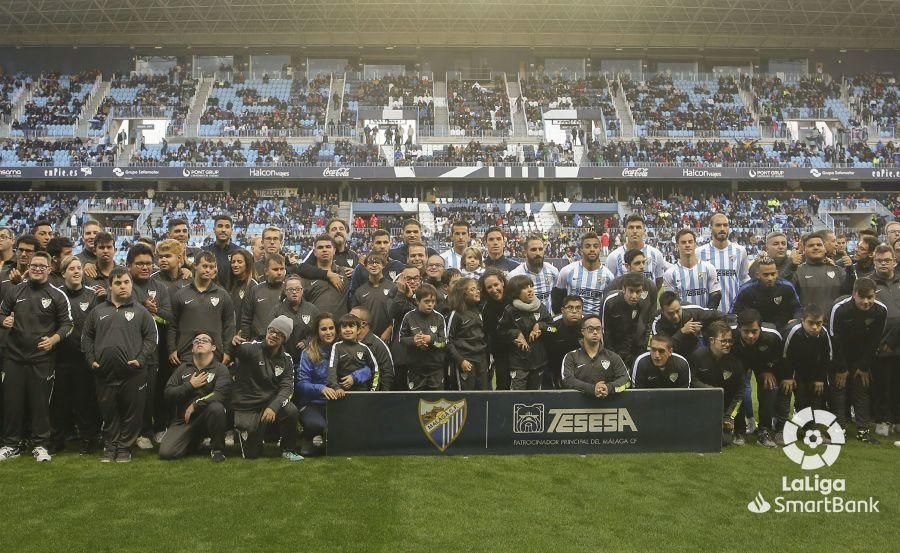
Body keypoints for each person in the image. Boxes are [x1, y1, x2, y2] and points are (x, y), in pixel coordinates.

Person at [0, 251, 73, 462]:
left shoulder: (58, 295)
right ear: (28, 267)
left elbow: (68, 324)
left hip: (42, 359)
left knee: (40, 404)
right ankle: (10, 445)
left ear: (49, 270)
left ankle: (40, 445)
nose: (38, 269)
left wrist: (53, 340)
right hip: (13, 357)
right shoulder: (14, 292)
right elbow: (1, 313)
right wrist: (4, 321)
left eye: (42, 266)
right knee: (11, 403)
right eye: (34, 265)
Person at [81, 267, 158, 463]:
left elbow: (151, 338)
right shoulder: (97, 311)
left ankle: (124, 448)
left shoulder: (141, 312)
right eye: (118, 283)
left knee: (132, 414)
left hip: (134, 373)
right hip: (103, 372)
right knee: (109, 412)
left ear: (132, 285)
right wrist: (91, 360)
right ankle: (110, 446)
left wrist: (140, 359)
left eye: (126, 282)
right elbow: (87, 338)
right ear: (110, 286)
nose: (122, 286)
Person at [231, 315, 302, 461]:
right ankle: (251, 435)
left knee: (291, 410)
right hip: (248, 404)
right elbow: (237, 351)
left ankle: (288, 449)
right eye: (272, 331)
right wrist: (234, 345)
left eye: (280, 334)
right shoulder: (251, 348)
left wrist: (273, 407)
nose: (274, 335)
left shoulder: (286, 359)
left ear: (285, 339)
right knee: (252, 454)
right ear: (267, 330)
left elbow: (287, 388)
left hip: (269, 403)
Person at [828, 278, 887, 444]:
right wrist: (841, 368)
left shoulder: (881, 310)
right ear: (854, 294)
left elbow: (875, 340)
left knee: (862, 391)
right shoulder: (839, 309)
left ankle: (863, 431)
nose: (867, 302)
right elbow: (833, 338)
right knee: (838, 392)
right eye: (863, 297)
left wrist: (863, 365)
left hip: (861, 358)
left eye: (871, 297)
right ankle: (839, 431)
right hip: (839, 357)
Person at [50, 255, 99, 455]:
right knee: (59, 403)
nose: (77, 271)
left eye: (79, 268)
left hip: (83, 359)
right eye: (71, 269)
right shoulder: (56, 295)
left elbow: (97, 327)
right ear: (63, 273)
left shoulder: (92, 295)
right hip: (60, 358)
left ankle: (87, 439)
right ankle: (57, 440)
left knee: (83, 401)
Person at [127, 243, 174, 449]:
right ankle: (138, 431)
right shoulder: (125, 285)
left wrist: (156, 312)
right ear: (129, 266)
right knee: (134, 395)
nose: (145, 267)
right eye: (140, 264)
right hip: (129, 349)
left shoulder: (159, 287)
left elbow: (170, 317)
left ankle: (152, 429)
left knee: (152, 393)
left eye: (148, 263)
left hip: (154, 352)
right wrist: (145, 310)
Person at [159, 332, 231, 462]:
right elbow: (168, 393)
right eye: (196, 341)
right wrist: (190, 385)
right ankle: (194, 441)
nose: (200, 342)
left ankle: (217, 449)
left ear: (213, 347)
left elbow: (220, 394)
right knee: (167, 453)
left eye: (205, 340)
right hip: (184, 420)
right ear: (192, 348)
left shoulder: (221, 369)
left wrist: (196, 405)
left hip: (208, 416)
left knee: (217, 408)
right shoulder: (182, 369)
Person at [168, 252, 235, 366]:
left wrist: (227, 352)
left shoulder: (223, 295)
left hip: (215, 355)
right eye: (204, 266)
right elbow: (172, 325)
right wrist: (171, 349)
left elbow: (229, 325)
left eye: (211, 267)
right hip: (185, 355)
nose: (208, 270)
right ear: (195, 266)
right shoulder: (180, 294)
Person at [778, 304, 833, 441]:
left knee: (814, 397)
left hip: (811, 370)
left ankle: (811, 429)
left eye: (818, 323)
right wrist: (787, 377)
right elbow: (784, 355)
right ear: (803, 321)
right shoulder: (793, 331)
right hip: (790, 369)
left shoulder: (824, 334)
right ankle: (780, 430)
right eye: (811, 323)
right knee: (785, 393)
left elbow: (827, 357)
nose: (815, 327)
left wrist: (820, 379)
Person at [731, 309, 784, 448]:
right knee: (738, 388)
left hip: (763, 364)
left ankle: (764, 431)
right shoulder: (730, 335)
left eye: (754, 331)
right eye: (746, 331)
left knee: (770, 386)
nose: (750, 336)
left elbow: (780, 358)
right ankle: (739, 430)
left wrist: (767, 370)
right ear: (739, 329)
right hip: (740, 364)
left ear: (760, 328)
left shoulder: (773, 336)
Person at [295, 313, 346, 457]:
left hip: (338, 401)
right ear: (317, 331)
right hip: (313, 403)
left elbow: (366, 368)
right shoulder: (308, 353)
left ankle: (325, 437)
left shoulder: (344, 348)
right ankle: (309, 436)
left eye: (331, 328)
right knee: (318, 425)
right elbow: (301, 384)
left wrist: (354, 377)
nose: (328, 332)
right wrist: (321, 388)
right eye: (324, 329)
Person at [689, 321, 746, 446]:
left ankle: (739, 431)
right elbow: (691, 381)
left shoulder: (735, 361)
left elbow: (740, 392)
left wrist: (730, 416)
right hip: (703, 405)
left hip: (726, 408)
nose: (727, 344)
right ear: (712, 340)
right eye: (723, 341)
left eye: (730, 341)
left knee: (724, 441)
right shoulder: (698, 356)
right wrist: (710, 390)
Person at [498, 275, 553, 390]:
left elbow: (553, 329)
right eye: (524, 288)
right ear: (515, 292)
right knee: (518, 398)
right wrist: (515, 334)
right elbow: (500, 333)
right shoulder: (510, 310)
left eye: (531, 286)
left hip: (538, 362)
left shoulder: (541, 307)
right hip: (518, 363)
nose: (530, 290)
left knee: (535, 398)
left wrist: (541, 327)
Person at [561, 314, 631, 398]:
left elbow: (626, 380)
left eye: (598, 329)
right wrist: (592, 389)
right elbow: (567, 380)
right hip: (577, 407)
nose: (595, 332)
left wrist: (609, 388)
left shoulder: (613, 357)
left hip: (608, 406)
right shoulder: (571, 356)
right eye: (590, 329)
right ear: (582, 331)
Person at [871, 245, 900, 437]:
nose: (884, 263)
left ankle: (897, 420)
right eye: (880, 260)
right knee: (882, 384)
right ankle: (882, 419)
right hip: (880, 343)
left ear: (894, 262)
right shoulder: (868, 283)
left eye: (887, 260)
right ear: (874, 262)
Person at [697, 214, 750, 314]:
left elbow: (744, 278)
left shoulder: (740, 251)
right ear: (710, 228)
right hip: (709, 312)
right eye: (718, 225)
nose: (722, 228)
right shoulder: (699, 252)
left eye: (725, 225)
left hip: (734, 311)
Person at [552, 232, 615, 315]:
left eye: (595, 246)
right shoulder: (567, 271)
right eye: (587, 246)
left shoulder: (608, 276)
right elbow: (557, 298)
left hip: (595, 324)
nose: (592, 249)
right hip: (573, 323)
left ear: (600, 249)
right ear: (581, 250)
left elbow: (609, 305)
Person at [732, 255, 802, 330]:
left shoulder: (787, 287)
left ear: (777, 273)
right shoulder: (746, 290)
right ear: (757, 275)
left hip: (782, 330)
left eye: (773, 274)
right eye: (766, 275)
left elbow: (797, 308)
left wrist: (796, 319)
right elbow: (734, 312)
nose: (770, 278)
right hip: (755, 332)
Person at [399, 283, 447, 390]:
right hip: (415, 370)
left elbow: (444, 342)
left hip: (435, 370)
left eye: (433, 301)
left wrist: (431, 339)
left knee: (435, 402)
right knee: (415, 401)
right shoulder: (408, 317)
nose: (430, 304)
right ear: (417, 301)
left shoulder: (439, 318)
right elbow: (401, 340)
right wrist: (414, 340)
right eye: (426, 301)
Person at [602, 272, 655, 369]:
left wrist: (635, 353)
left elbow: (635, 329)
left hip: (628, 347)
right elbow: (604, 331)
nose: (634, 296)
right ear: (623, 289)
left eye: (638, 291)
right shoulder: (609, 301)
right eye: (631, 291)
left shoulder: (641, 303)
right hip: (610, 348)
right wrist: (612, 356)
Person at [650, 291, 724, 356]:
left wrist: (701, 326)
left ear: (680, 306)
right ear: (662, 311)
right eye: (670, 313)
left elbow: (715, 314)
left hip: (693, 350)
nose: (675, 316)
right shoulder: (657, 322)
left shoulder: (691, 310)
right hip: (670, 356)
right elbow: (662, 347)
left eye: (678, 311)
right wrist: (682, 332)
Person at [446, 277, 488, 390]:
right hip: (465, 360)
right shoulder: (456, 314)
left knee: (483, 395)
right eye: (473, 289)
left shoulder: (479, 312)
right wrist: (460, 360)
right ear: (463, 294)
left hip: (481, 360)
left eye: (477, 289)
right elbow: (447, 341)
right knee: (465, 398)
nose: (477, 291)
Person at [663, 229, 722, 310]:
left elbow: (715, 295)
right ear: (677, 246)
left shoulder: (709, 268)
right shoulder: (670, 274)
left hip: (707, 319)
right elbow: (670, 302)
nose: (687, 245)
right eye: (683, 242)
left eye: (690, 242)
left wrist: (707, 315)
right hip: (683, 321)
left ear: (695, 244)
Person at [792, 231, 849, 314]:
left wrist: (850, 269)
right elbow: (789, 298)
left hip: (833, 321)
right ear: (804, 250)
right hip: (810, 323)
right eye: (811, 245)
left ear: (824, 248)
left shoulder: (837, 270)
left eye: (819, 245)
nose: (816, 247)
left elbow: (850, 292)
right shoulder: (798, 272)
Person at [605, 214, 670, 286]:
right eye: (631, 227)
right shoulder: (613, 256)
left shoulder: (656, 254)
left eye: (638, 227)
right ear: (625, 231)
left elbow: (659, 280)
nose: (635, 231)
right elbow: (610, 284)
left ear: (644, 231)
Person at [272, 275, 321, 362]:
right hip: (283, 357)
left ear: (302, 291)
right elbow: (272, 333)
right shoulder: (277, 310)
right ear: (285, 291)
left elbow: (319, 332)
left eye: (298, 289)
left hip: (308, 358)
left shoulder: (312, 310)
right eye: (291, 289)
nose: (294, 292)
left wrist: (307, 342)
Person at [301, 234, 349, 320]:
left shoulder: (346, 273)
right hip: (316, 327)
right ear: (314, 252)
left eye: (328, 247)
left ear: (334, 250)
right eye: (320, 247)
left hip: (341, 329)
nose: (324, 250)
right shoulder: (306, 277)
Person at [240, 253, 287, 342]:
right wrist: (245, 341)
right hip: (258, 342)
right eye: (275, 269)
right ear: (266, 271)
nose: (279, 272)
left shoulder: (289, 291)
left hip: (283, 343)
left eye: (282, 269)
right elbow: (246, 319)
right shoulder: (255, 290)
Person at [508, 234, 559, 313]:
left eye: (540, 249)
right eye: (533, 250)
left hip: (547, 321)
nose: (538, 253)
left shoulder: (553, 271)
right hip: (525, 321)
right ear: (525, 253)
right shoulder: (514, 275)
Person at [349, 306, 395, 391]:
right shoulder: (344, 342)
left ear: (363, 324)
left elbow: (387, 375)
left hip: (372, 396)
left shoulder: (379, 345)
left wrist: (380, 397)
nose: (347, 320)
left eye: (352, 317)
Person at [328, 314, 378, 392]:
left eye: (351, 326)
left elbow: (375, 369)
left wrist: (374, 390)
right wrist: (336, 387)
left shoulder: (364, 348)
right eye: (344, 327)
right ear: (340, 331)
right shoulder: (337, 346)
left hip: (362, 392)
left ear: (358, 330)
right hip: (341, 392)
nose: (347, 329)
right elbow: (332, 368)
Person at [348, 230, 404, 298]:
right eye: (378, 243)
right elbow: (353, 296)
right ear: (372, 245)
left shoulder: (398, 266)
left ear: (391, 244)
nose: (382, 246)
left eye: (385, 242)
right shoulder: (361, 268)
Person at [350, 252, 393, 340]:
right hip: (365, 337)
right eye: (370, 263)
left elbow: (398, 314)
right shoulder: (360, 291)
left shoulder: (393, 288)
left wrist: (390, 329)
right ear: (365, 266)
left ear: (383, 265)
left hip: (388, 336)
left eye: (377, 262)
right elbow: (354, 317)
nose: (374, 265)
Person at [545, 295, 584, 390]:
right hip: (556, 369)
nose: (574, 311)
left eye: (578, 308)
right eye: (570, 308)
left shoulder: (588, 324)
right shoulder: (552, 324)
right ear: (562, 310)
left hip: (581, 368)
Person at [480, 269, 509, 390]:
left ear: (502, 282)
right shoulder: (486, 308)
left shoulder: (515, 298)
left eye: (496, 284)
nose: (494, 289)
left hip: (521, 352)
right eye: (489, 287)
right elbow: (490, 333)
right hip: (501, 352)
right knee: (503, 385)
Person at [204, 214, 240, 289]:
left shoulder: (240, 252)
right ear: (214, 229)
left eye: (227, 227)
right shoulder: (205, 252)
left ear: (231, 230)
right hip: (209, 295)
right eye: (220, 226)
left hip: (233, 296)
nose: (223, 230)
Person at [227, 248, 258, 327]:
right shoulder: (231, 285)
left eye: (239, 262)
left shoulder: (253, 286)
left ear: (247, 264)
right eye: (233, 262)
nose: (235, 265)